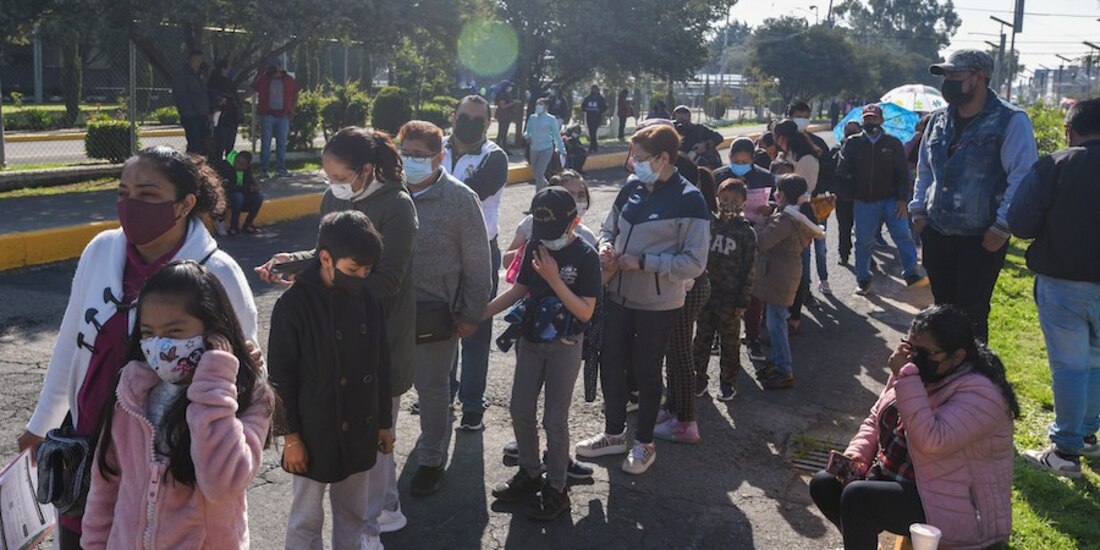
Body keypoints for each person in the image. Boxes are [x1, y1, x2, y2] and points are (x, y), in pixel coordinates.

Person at [17, 146, 258, 549]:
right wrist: (41, 425)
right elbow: (70, 343)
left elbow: (246, 380)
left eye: (148, 194)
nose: (131, 205)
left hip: (166, 467)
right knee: (84, 535)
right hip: (89, 446)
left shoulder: (218, 273)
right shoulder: (101, 250)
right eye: (123, 193)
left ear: (185, 204)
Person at [256, 127, 417, 534]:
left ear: (366, 170)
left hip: (373, 332)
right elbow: (325, 254)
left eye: (341, 178)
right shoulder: (334, 199)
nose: (334, 185)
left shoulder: (397, 205)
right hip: (325, 337)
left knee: (369, 455)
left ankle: (379, 521)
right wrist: (296, 264)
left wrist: (332, 291)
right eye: (328, 177)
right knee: (312, 501)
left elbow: (387, 279)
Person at [82, 261, 274, 548]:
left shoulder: (249, 397)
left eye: (174, 332)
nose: (160, 346)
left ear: (213, 330)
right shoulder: (132, 390)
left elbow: (222, 484)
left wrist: (215, 382)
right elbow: (106, 484)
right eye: (149, 333)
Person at [809, 304, 1018, 550]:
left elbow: (931, 441)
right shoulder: (915, 370)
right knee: (825, 484)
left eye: (925, 353)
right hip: (904, 479)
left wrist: (907, 377)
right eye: (911, 348)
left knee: (858, 498)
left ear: (957, 356)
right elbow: (876, 416)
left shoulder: (982, 394)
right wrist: (859, 453)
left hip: (953, 504)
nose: (915, 358)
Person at [575, 124, 710, 475]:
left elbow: (695, 262)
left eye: (640, 156)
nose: (633, 162)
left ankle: (644, 442)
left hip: (658, 303)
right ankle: (613, 433)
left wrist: (645, 262)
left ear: (664, 157)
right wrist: (606, 246)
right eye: (633, 156)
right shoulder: (632, 187)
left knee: (646, 370)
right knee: (610, 362)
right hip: (617, 293)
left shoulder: (689, 198)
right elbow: (609, 227)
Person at [268, 211, 392, 550]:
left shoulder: (367, 299)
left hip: (360, 423)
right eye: (353, 269)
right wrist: (290, 437)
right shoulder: (293, 305)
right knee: (306, 519)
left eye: (367, 271)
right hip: (313, 429)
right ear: (325, 258)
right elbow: (280, 379)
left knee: (353, 513)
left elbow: (381, 364)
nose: (361, 277)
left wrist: (383, 422)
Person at [484, 187, 600, 521]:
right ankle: (531, 473)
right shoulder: (536, 244)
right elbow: (519, 289)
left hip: (565, 345)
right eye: (541, 229)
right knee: (520, 408)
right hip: (531, 340)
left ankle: (557, 488)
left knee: (554, 419)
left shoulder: (586, 255)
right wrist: (480, 314)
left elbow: (585, 311)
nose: (547, 238)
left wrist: (554, 279)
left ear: (574, 222)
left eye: (553, 230)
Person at [910, 49, 1038, 341]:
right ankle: (944, 368)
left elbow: (1023, 177)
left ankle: (973, 370)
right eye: (946, 75)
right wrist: (919, 213)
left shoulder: (1010, 120)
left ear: (980, 77)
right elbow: (924, 169)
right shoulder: (938, 120)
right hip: (937, 233)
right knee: (941, 314)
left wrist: (1001, 228)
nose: (948, 82)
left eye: (955, 75)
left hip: (981, 240)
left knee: (972, 317)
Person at [1010, 98, 1100, 478]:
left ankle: (1065, 450)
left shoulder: (1057, 164)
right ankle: (1088, 435)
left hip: (1063, 282)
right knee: (1096, 362)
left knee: (1070, 367)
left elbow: (1020, 222)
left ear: (1069, 130)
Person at [402, 120, 492, 496]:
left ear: (440, 157)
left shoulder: (459, 199)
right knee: (386, 388)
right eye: (405, 153)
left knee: (432, 388)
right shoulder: (390, 193)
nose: (410, 161)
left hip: (434, 315)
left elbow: (478, 264)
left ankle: (430, 460)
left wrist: (471, 314)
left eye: (419, 155)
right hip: (388, 311)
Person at [444, 96, 510, 432]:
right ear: (453, 116)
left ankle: (472, 403)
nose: (469, 123)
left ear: (488, 124)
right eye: (464, 117)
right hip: (439, 251)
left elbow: (469, 195)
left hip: (479, 252)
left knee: (475, 327)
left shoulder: (495, 157)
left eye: (477, 119)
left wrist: (428, 193)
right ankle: (442, 394)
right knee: (440, 326)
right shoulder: (435, 149)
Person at [837, 104, 929, 296]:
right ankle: (863, 279)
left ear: (881, 120)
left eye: (874, 118)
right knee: (863, 242)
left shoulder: (893, 143)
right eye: (867, 118)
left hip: (891, 200)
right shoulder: (853, 143)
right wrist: (851, 190)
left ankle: (911, 273)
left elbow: (902, 173)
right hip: (864, 201)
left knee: (903, 236)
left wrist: (902, 199)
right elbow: (842, 170)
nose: (870, 121)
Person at [752, 174, 824, 389]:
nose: (775, 194)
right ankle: (777, 362)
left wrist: (760, 221)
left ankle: (784, 369)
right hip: (784, 273)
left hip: (779, 275)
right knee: (776, 322)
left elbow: (763, 241)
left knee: (776, 324)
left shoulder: (785, 220)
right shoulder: (796, 215)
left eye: (778, 191)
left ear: (783, 194)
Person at [692, 178, 756, 402]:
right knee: (702, 338)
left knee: (729, 342)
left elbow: (749, 269)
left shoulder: (746, 233)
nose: (729, 203)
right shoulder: (708, 225)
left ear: (744, 203)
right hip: (705, 295)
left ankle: (728, 382)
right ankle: (698, 378)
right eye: (725, 198)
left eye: (735, 199)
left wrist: (743, 301)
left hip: (730, 299)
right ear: (717, 198)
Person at [251, 58, 299, 178]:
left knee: (281, 142)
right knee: (266, 142)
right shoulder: (264, 78)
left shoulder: (289, 79)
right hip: (267, 114)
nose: (271, 68)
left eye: (274, 65)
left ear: (280, 66)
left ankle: (280, 169)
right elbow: (253, 87)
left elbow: (295, 94)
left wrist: (292, 109)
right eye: (270, 66)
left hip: (283, 115)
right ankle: (264, 170)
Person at [834, 120, 865, 266]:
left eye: (854, 129)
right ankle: (844, 253)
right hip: (843, 196)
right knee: (844, 227)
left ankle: (866, 258)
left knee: (864, 229)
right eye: (848, 129)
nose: (851, 132)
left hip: (863, 195)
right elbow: (835, 171)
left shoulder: (867, 150)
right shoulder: (837, 149)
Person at [213, 150, 264, 235]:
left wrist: (255, 187)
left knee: (259, 196)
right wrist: (247, 188)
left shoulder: (247, 170)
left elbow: (250, 182)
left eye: (242, 165)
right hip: (226, 197)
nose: (237, 165)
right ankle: (234, 227)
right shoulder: (225, 166)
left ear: (247, 166)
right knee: (238, 197)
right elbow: (227, 187)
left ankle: (248, 225)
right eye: (237, 162)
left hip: (241, 196)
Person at [524, 97, 567, 191]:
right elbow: (527, 131)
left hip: (546, 149)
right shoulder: (532, 118)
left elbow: (556, 135)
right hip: (534, 148)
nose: (538, 106)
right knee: (535, 174)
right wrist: (528, 137)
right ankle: (546, 185)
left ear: (546, 106)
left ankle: (538, 194)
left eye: (540, 104)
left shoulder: (551, 119)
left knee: (540, 173)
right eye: (537, 104)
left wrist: (562, 150)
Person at [171, 50, 210, 155]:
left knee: (203, 144)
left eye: (201, 59)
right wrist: (189, 112)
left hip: (202, 114)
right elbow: (180, 95)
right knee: (194, 143)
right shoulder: (183, 75)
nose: (200, 62)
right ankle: (190, 163)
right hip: (191, 116)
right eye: (198, 59)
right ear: (191, 59)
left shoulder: (200, 75)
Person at [206, 59, 242, 160]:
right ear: (223, 69)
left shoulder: (230, 82)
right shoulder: (215, 83)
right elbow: (213, 100)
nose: (231, 69)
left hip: (232, 117)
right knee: (219, 144)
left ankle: (229, 165)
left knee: (230, 145)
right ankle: (218, 165)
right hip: (220, 116)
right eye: (229, 67)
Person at [673, 105, 724, 169]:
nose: (681, 117)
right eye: (678, 114)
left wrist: (705, 145)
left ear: (689, 118)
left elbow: (718, 137)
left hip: (701, 166)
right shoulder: (670, 131)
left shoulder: (698, 129)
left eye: (684, 114)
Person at [581, 85, 608, 152]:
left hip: (597, 118)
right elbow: (583, 107)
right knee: (591, 131)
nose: (594, 91)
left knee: (594, 131)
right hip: (589, 117)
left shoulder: (600, 99)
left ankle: (593, 145)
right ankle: (593, 145)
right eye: (593, 89)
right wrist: (587, 109)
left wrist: (599, 110)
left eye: (595, 89)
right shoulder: (588, 98)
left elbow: (604, 108)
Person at [494, 83, 519, 150]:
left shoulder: (505, 94)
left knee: (503, 132)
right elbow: (503, 106)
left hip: (505, 115)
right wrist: (513, 103)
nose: (510, 88)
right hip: (503, 115)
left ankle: (503, 147)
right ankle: (501, 147)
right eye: (509, 86)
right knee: (502, 132)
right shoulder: (503, 95)